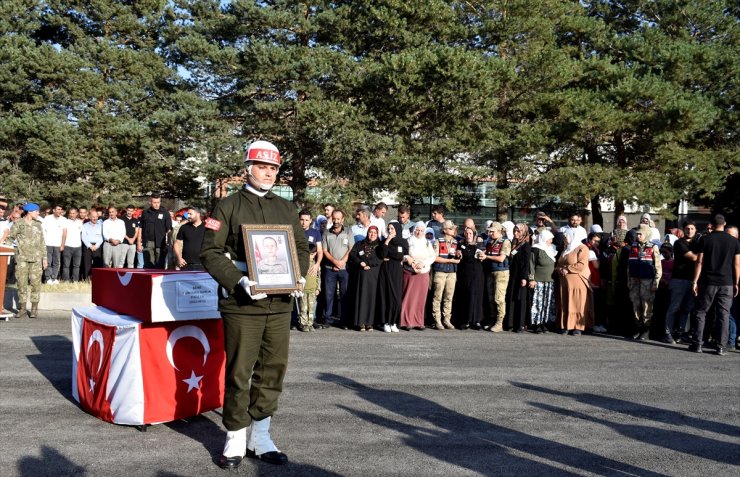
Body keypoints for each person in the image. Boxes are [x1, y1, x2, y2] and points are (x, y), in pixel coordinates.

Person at [200, 140, 309, 469]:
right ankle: (234, 436)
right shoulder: (228, 206)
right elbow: (210, 252)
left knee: (273, 369)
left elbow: (301, 247)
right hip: (242, 302)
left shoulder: (286, 208)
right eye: (263, 167)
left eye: (274, 168)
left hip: (279, 303)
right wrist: (240, 281)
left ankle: (260, 437)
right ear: (248, 168)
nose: (269, 173)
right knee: (240, 371)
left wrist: (298, 274)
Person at [687, 215, 740, 355]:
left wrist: (695, 281)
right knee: (724, 314)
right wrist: (737, 282)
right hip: (727, 282)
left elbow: (699, 262)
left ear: (711, 224)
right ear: (725, 224)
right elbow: (737, 264)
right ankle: (721, 346)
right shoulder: (734, 242)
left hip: (708, 281)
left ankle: (697, 343)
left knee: (701, 312)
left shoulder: (705, 239)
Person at [8, 203, 47, 318]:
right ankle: (23, 308)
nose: (38, 213)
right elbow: (10, 238)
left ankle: (34, 309)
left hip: (36, 259)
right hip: (22, 259)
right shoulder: (18, 224)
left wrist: (44, 257)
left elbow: (42, 242)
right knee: (21, 284)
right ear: (29, 212)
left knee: (36, 284)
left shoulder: (38, 224)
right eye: (36, 211)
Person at [663, 221, 699, 343]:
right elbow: (694, 257)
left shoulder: (697, 244)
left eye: (692, 228)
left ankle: (680, 333)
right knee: (674, 307)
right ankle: (667, 333)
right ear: (683, 230)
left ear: (696, 230)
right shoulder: (679, 243)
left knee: (686, 309)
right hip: (679, 280)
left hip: (692, 281)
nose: (690, 231)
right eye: (687, 228)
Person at [627, 224, 662, 340]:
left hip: (647, 281)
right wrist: (629, 280)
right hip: (634, 280)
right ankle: (638, 328)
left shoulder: (653, 247)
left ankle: (646, 330)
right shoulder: (633, 247)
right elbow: (629, 266)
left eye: (640, 234)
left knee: (647, 305)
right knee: (635, 304)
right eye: (637, 234)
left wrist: (656, 282)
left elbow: (658, 267)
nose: (638, 236)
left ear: (646, 234)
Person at [555, 227, 594, 335]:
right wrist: (560, 269)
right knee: (566, 303)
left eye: (566, 236)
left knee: (577, 303)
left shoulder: (582, 248)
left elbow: (581, 265)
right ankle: (566, 325)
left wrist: (567, 269)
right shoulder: (566, 249)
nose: (565, 239)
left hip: (577, 282)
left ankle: (578, 326)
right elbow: (558, 264)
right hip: (564, 283)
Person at [321, 209, 354, 327]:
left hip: (344, 269)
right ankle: (327, 319)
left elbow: (351, 248)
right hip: (329, 268)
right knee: (328, 295)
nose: (336, 221)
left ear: (343, 219)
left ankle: (344, 320)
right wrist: (335, 262)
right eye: (334, 218)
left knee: (344, 295)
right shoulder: (326, 233)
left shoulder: (349, 231)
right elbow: (324, 250)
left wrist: (342, 262)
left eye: (338, 219)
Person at [400, 222, 436, 330]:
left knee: (421, 298)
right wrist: (410, 261)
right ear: (414, 229)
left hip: (423, 273)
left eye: (421, 230)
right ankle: (406, 321)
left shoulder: (427, 243)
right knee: (408, 297)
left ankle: (418, 321)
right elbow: (403, 254)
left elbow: (432, 256)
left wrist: (423, 264)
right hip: (410, 272)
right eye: (417, 229)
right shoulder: (409, 240)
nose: (419, 232)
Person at [347, 225, 382, 331]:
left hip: (373, 275)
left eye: (374, 233)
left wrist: (369, 264)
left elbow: (380, 258)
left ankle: (370, 323)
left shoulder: (380, 246)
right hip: (361, 275)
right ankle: (360, 322)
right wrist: (360, 262)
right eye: (370, 232)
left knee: (372, 298)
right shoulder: (360, 244)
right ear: (367, 233)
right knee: (361, 297)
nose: (372, 234)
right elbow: (353, 255)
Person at [453, 226, 486, 329]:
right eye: (466, 233)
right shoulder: (461, 244)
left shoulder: (480, 244)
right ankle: (465, 320)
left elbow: (483, 256)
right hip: (464, 274)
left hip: (477, 273)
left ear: (474, 234)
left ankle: (476, 321)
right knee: (465, 296)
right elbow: (457, 255)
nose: (468, 235)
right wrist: (457, 254)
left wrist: (483, 255)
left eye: (470, 233)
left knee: (477, 296)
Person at [378, 221, 407, 333]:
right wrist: (388, 240)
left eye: (392, 229)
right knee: (386, 296)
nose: (390, 231)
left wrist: (393, 256)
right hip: (386, 270)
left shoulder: (403, 242)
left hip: (397, 271)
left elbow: (402, 255)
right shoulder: (384, 241)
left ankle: (394, 322)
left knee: (396, 297)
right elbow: (382, 254)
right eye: (389, 229)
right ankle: (386, 322)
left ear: (397, 229)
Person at [482, 222, 511, 332]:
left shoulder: (505, 242)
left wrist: (486, 257)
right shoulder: (490, 241)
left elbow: (501, 259)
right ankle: (493, 320)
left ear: (499, 232)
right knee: (490, 298)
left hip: (501, 272)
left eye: (492, 231)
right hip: (491, 271)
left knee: (499, 298)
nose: (490, 233)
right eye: (489, 231)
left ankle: (499, 323)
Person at [431, 220, 460, 330]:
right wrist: (451, 261)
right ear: (445, 230)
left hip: (452, 272)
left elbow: (457, 258)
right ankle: (437, 319)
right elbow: (435, 257)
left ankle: (447, 318)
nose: (453, 230)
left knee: (449, 297)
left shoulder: (456, 242)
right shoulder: (438, 241)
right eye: (451, 228)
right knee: (437, 296)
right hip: (440, 272)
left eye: (454, 228)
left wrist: (458, 256)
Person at [298, 209, 322, 332]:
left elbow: (320, 251)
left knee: (312, 300)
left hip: (312, 266)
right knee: (301, 299)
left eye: (306, 220)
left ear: (310, 221)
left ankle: (310, 322)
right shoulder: (295, 232)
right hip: (299, 266)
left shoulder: (315, 233)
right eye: (302, 219)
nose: (304, 222)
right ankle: (302, 322)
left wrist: (317, 264)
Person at [528, 229, 557, 333]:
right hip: (539, 281)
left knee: (548, 303)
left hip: (550, 282)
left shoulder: (551, 249)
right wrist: (531, 279)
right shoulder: (536, 249)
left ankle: (545, 323)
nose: (551, 241)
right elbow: (531, 264)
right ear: (544, 239)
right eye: (550, 239)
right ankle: (537, 324)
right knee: (538, 303)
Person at [505, 223, 532, 332]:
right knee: (512, 297)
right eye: (515, 231)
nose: (516, 233)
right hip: (512, 274)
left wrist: (524, 277)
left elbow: (526, 263)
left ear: (524, 232)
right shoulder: (513, 243)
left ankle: (520, 324)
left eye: (518, 231)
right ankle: (510, 323)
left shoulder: (526, 245)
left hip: (521, 275)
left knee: (520, 298)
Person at [139, 194, 172, 268]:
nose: (157, 204)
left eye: (158, 202)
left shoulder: (165, 213)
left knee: (159, 265)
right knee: (148, 265)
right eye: (154, 202)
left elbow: (169, 229)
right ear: (150, 202)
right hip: (148, 243)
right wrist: (138, 242)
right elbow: (140, 227)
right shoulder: (145, 212)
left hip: (160, 244)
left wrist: (169, 243)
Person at [174, 207, 206, 271]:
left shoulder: (206, 227)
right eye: (187, 214)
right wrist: (179, 258)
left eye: (190, 214)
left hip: (203, 264)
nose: (188, 216)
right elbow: (177, 243)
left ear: (198, 214)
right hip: (186, 265)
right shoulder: (184, 227)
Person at [42, 204, 67, 284]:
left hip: (58, 244)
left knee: (56, 262)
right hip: (48, 243)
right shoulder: (47, 218)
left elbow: (64, 233)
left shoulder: (64, 219)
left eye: (61, 209)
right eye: (58, 209)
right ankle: (48, 278)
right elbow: (43, 231)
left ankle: (54, 278)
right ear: (54, 210)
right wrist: (44, 243)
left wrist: (62, 244)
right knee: (48, 261)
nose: (60, 211)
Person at [81, 208, 104, 279]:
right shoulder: (85, 225)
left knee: (97, 264)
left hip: (97, 246)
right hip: (87, 246)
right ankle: (87, 280)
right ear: (90, 217)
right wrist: (90, 246)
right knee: (87, 264)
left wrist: (96, 246)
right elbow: (83, 237)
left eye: (96, 216)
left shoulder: (101, 225)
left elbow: (102, 237)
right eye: (93, 217)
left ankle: (97, 279)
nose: (95, 218)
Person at [61, 207, 83, 281]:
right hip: (68, 246)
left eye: (74, 213)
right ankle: (66, 281)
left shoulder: (80, 222)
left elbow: (82, 234)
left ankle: (75, 281)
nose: (72, 215)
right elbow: (64, 234)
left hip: (78, 247)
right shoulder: (65, 222)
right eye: (70, 213)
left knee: (76, 265)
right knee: (66, 265)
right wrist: (62, 245)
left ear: (77, 214)